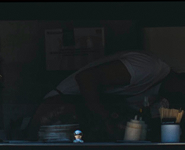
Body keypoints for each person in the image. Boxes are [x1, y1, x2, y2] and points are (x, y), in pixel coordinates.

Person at [37, 51, 174, 140]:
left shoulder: (155, 95)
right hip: (61, 109)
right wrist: (106, 118)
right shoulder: (148, 68)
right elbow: (85, 78)